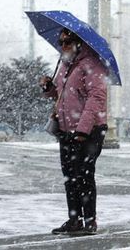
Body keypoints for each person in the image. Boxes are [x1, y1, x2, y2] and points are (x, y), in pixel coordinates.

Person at [39, 28, 108, 236]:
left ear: (79, 43)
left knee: (84, 175)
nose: (63, 46)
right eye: (61, 42)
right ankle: (74, 219)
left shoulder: (91, 65)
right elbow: (61, 96)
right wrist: (48, 88)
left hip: (90, 131)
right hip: (66, 129)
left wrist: (82, 130)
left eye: (67, 42)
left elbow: (96, 98)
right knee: (70, 176)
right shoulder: (65, 66)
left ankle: (90, 221)